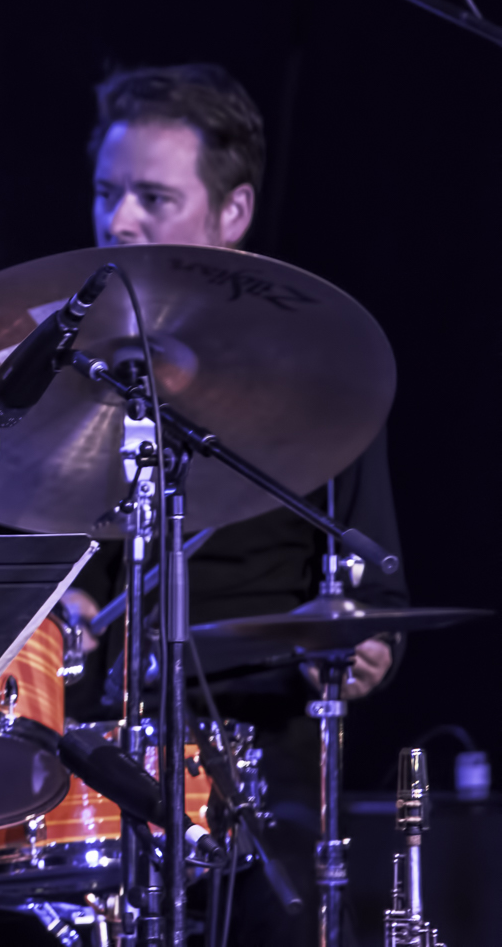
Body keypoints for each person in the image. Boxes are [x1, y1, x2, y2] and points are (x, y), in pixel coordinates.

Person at [83, 63, 408, 946]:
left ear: (232, 214)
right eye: (109, 192)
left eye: (153, 196)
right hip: (83, 757)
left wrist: (367, 642)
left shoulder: (317, 376)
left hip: (257, 754)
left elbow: (374, 584)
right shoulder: (62, 365)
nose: (119, 221)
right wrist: (53, 607)